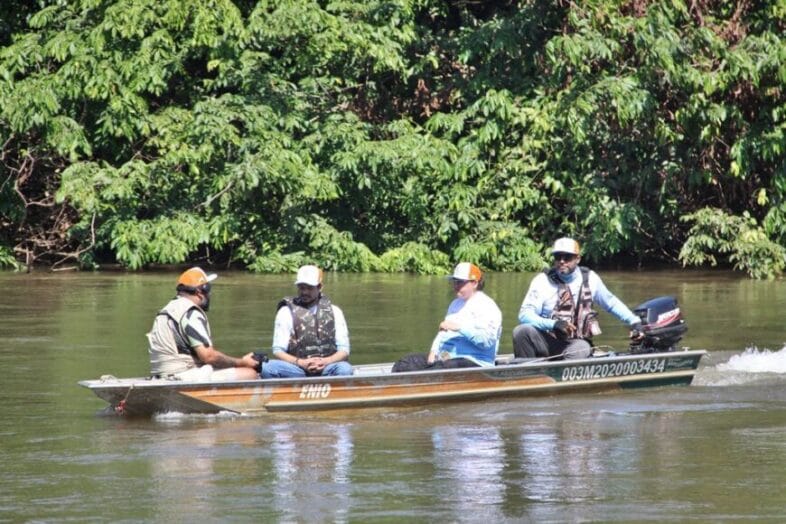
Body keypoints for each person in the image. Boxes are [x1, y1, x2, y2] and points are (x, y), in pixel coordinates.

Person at [512, 237, 643, 360]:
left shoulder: (590, 279)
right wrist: (554, 324)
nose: (562, 261)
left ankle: (562, 377)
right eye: (558, 257)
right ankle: (526, 373)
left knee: (580, 348)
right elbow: (525, 315)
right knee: (521, 331)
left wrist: (634, 321)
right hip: (547, 341)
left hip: (576, 343)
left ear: (578, 259)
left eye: (567, 257)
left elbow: (611, 304)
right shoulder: (542, 281)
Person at [147, 267, 260, 380]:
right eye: (208, 289)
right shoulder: (190, 313)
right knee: (249, 374)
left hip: (160, 375)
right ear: (200, 292)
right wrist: (242, 362)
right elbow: (208, 356)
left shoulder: (166, 310)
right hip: (181, 375)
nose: (210, 294)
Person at [392, 262, 502, 372]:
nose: (455, 286)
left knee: (440, 370)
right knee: (405, 363)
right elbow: (443, 332)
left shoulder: (488, 307)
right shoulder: (455, 304)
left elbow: (487, 341)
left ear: (474, 283)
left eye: (460, 282)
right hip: (446, 358)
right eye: (454, 282)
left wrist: (460, 328)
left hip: (476, 361)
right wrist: (434, 351)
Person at [261, 265, 353, 378]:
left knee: (345, 369)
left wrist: (326, 361)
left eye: (309, 288)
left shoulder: (335, 311)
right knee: (267, 367)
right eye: (301, 287)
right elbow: (278, 350)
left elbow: (344, 350)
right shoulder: (285, 312)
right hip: (297, 369)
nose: (304, 292)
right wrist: (301, 363)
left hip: (327, 367)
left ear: (319, 287)